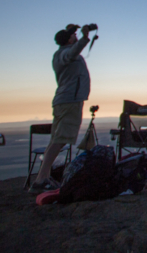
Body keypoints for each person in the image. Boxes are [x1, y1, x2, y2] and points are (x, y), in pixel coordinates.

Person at [30, 24, 95, 193]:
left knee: (55, 139)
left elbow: (71, 48)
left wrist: (71, 31)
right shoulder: (65, 54)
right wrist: (85, 37)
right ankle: (41, 179)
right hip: (69, 102)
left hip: (64, 101)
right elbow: (73, 51)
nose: (75, 37)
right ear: (68, 40)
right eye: (72, 36)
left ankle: (43, 177)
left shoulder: (59, 55)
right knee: (61, 139)